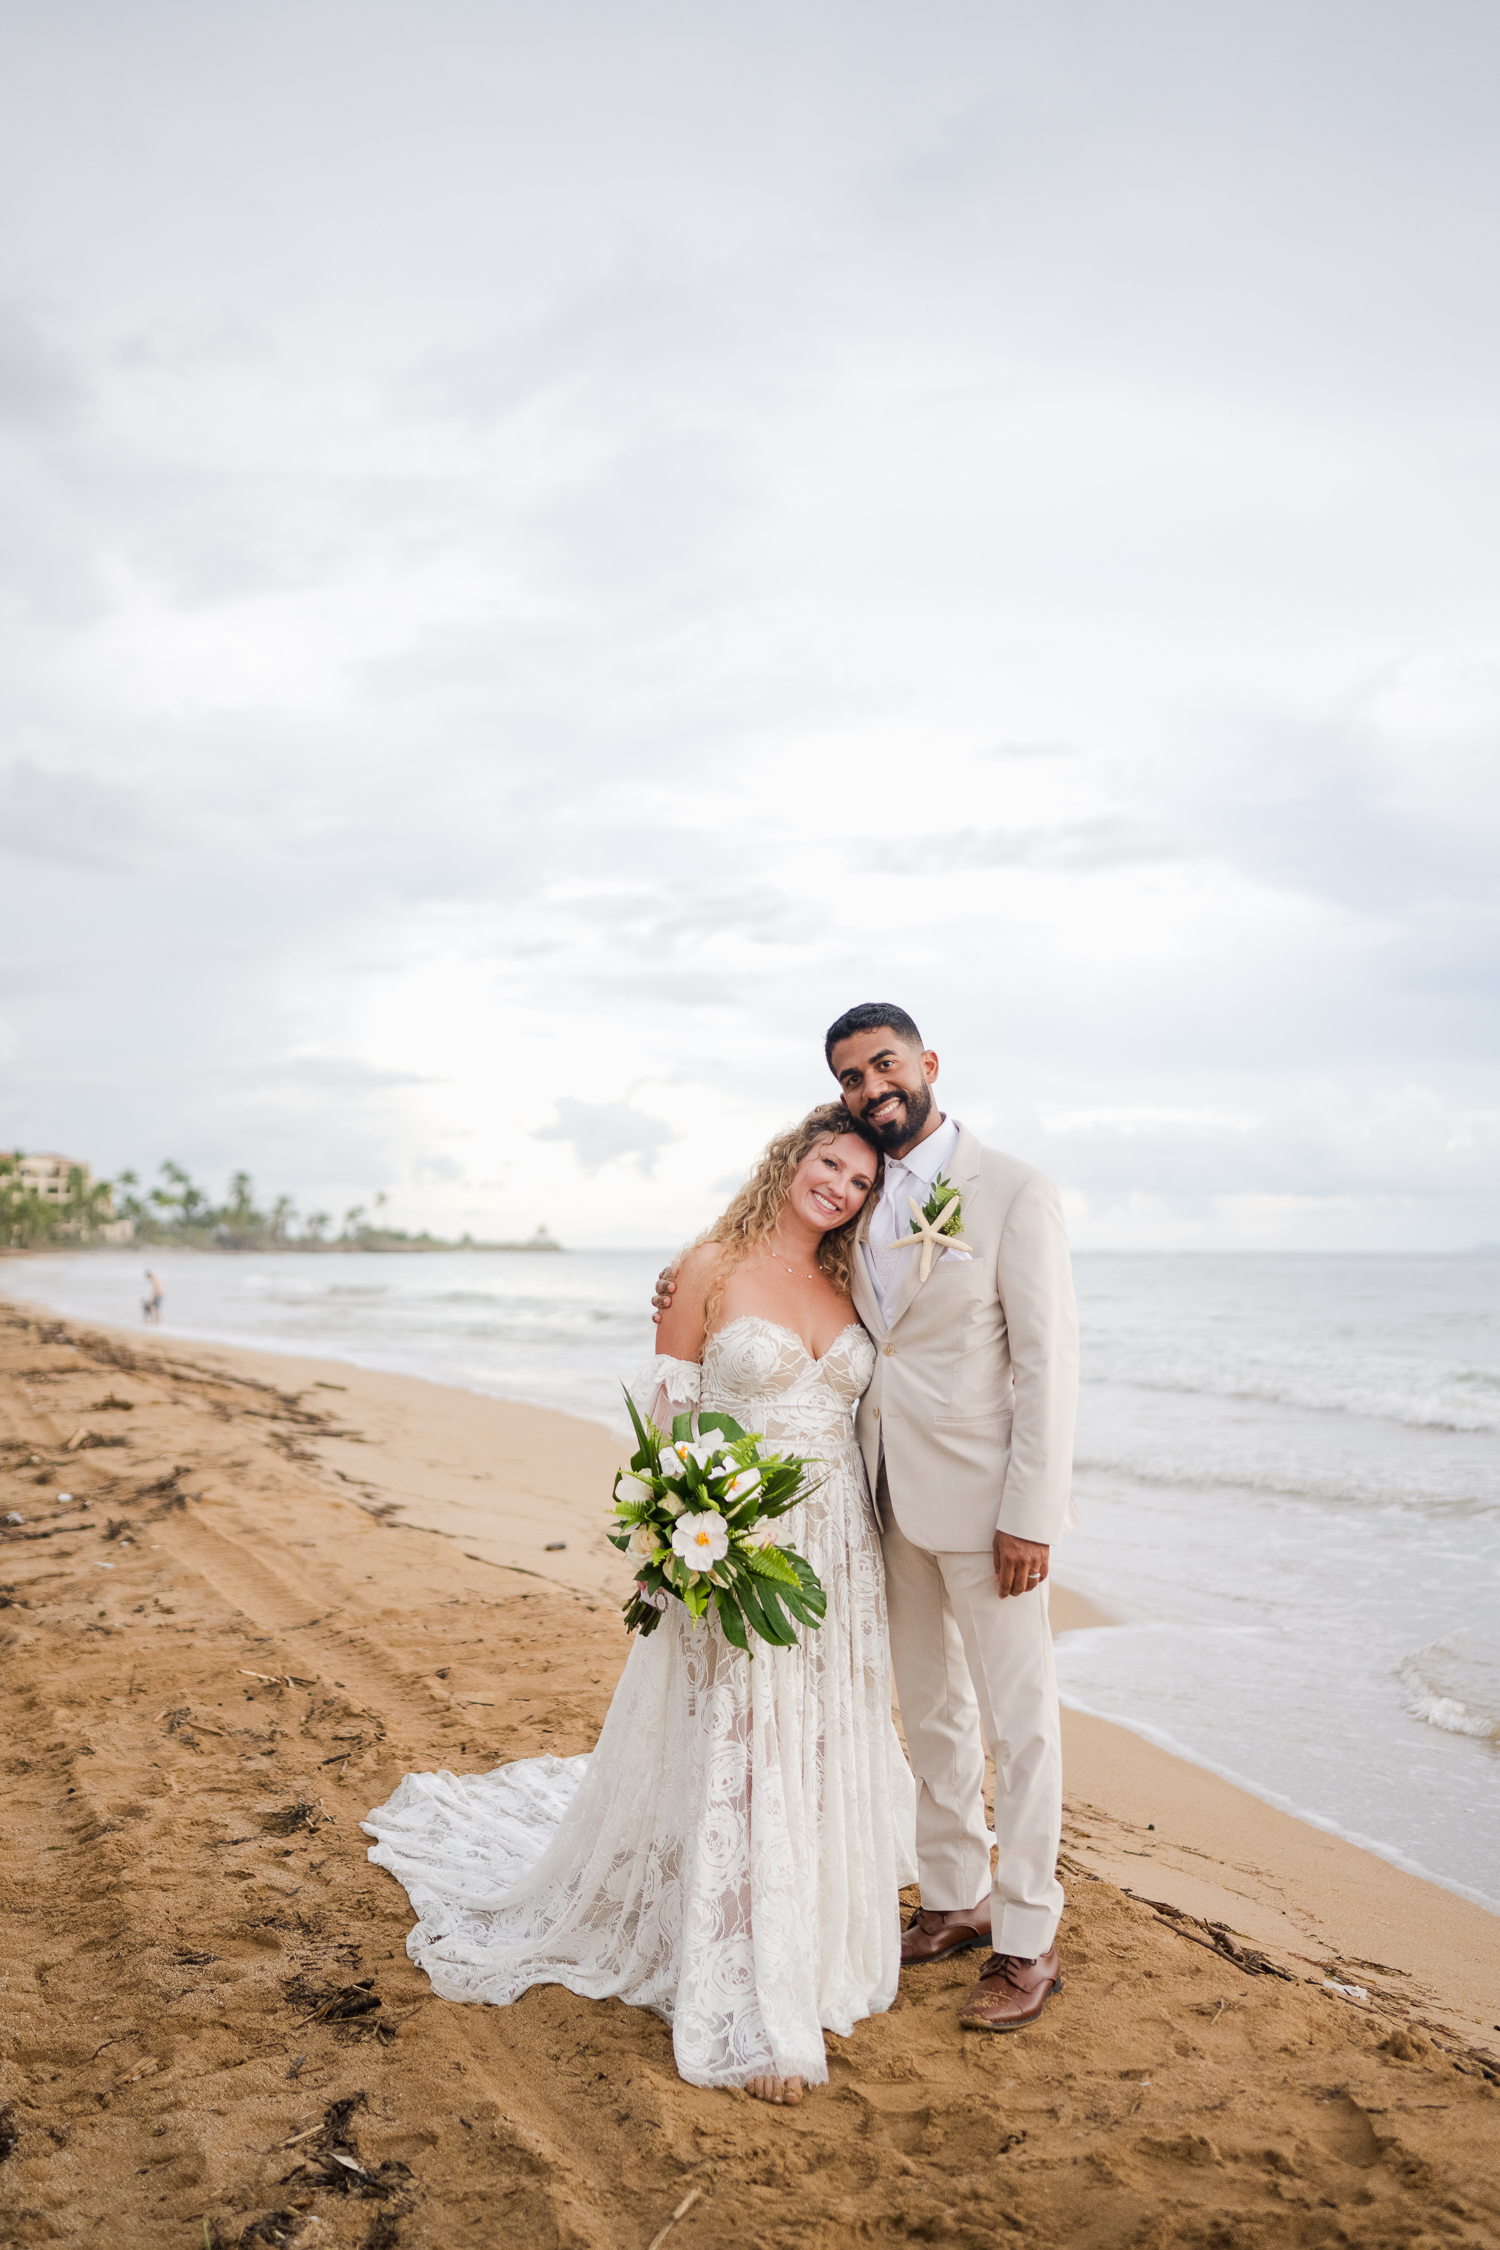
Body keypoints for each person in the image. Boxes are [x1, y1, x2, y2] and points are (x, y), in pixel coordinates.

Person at [363, 1103, 916, 2103]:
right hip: (738, 1541)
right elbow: (665, 1425)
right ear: (792, 1156)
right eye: (830, 1162)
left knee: (817, 1740)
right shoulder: (706, 1266)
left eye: (862, 1182)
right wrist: (683, 1535)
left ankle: (814, 1927)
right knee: (746, 1744)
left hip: (841, 1550)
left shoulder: (856, 1281)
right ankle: (751, 1992)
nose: (840, 1185)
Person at [655, 1006, 1079, 2035]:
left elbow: (1047, 1364)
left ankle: (1026, 1941)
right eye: (850, 1076)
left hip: (989, 1514)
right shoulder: (868, 1184)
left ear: (927, 1064)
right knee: (930, 1714)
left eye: (883, 1064)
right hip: (877, 1501)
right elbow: (787, 1279)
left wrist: (1032, 1513)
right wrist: (687, 1275)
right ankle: (952, 1899)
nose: (869, 1086)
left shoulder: (1015, 1191)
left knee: (1020, 1726)